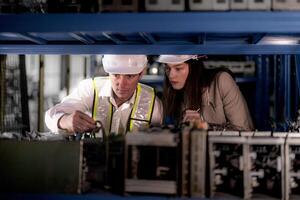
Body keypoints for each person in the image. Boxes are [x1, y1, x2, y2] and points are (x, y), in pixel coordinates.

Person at [45, 55, 163, 136]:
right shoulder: (90, 89)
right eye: (116, 75)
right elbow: (50, 115)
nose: (121, 84)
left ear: (141, 73)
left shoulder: (153, 104)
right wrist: (65, 121)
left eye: (129, 76)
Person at [157, 55, 254, 131]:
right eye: (167, 68)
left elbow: (244, 130)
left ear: (193, 68)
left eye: (178, 68)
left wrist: (206, 127)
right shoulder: (177, 93)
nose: (171, 75)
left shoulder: (221, 81)